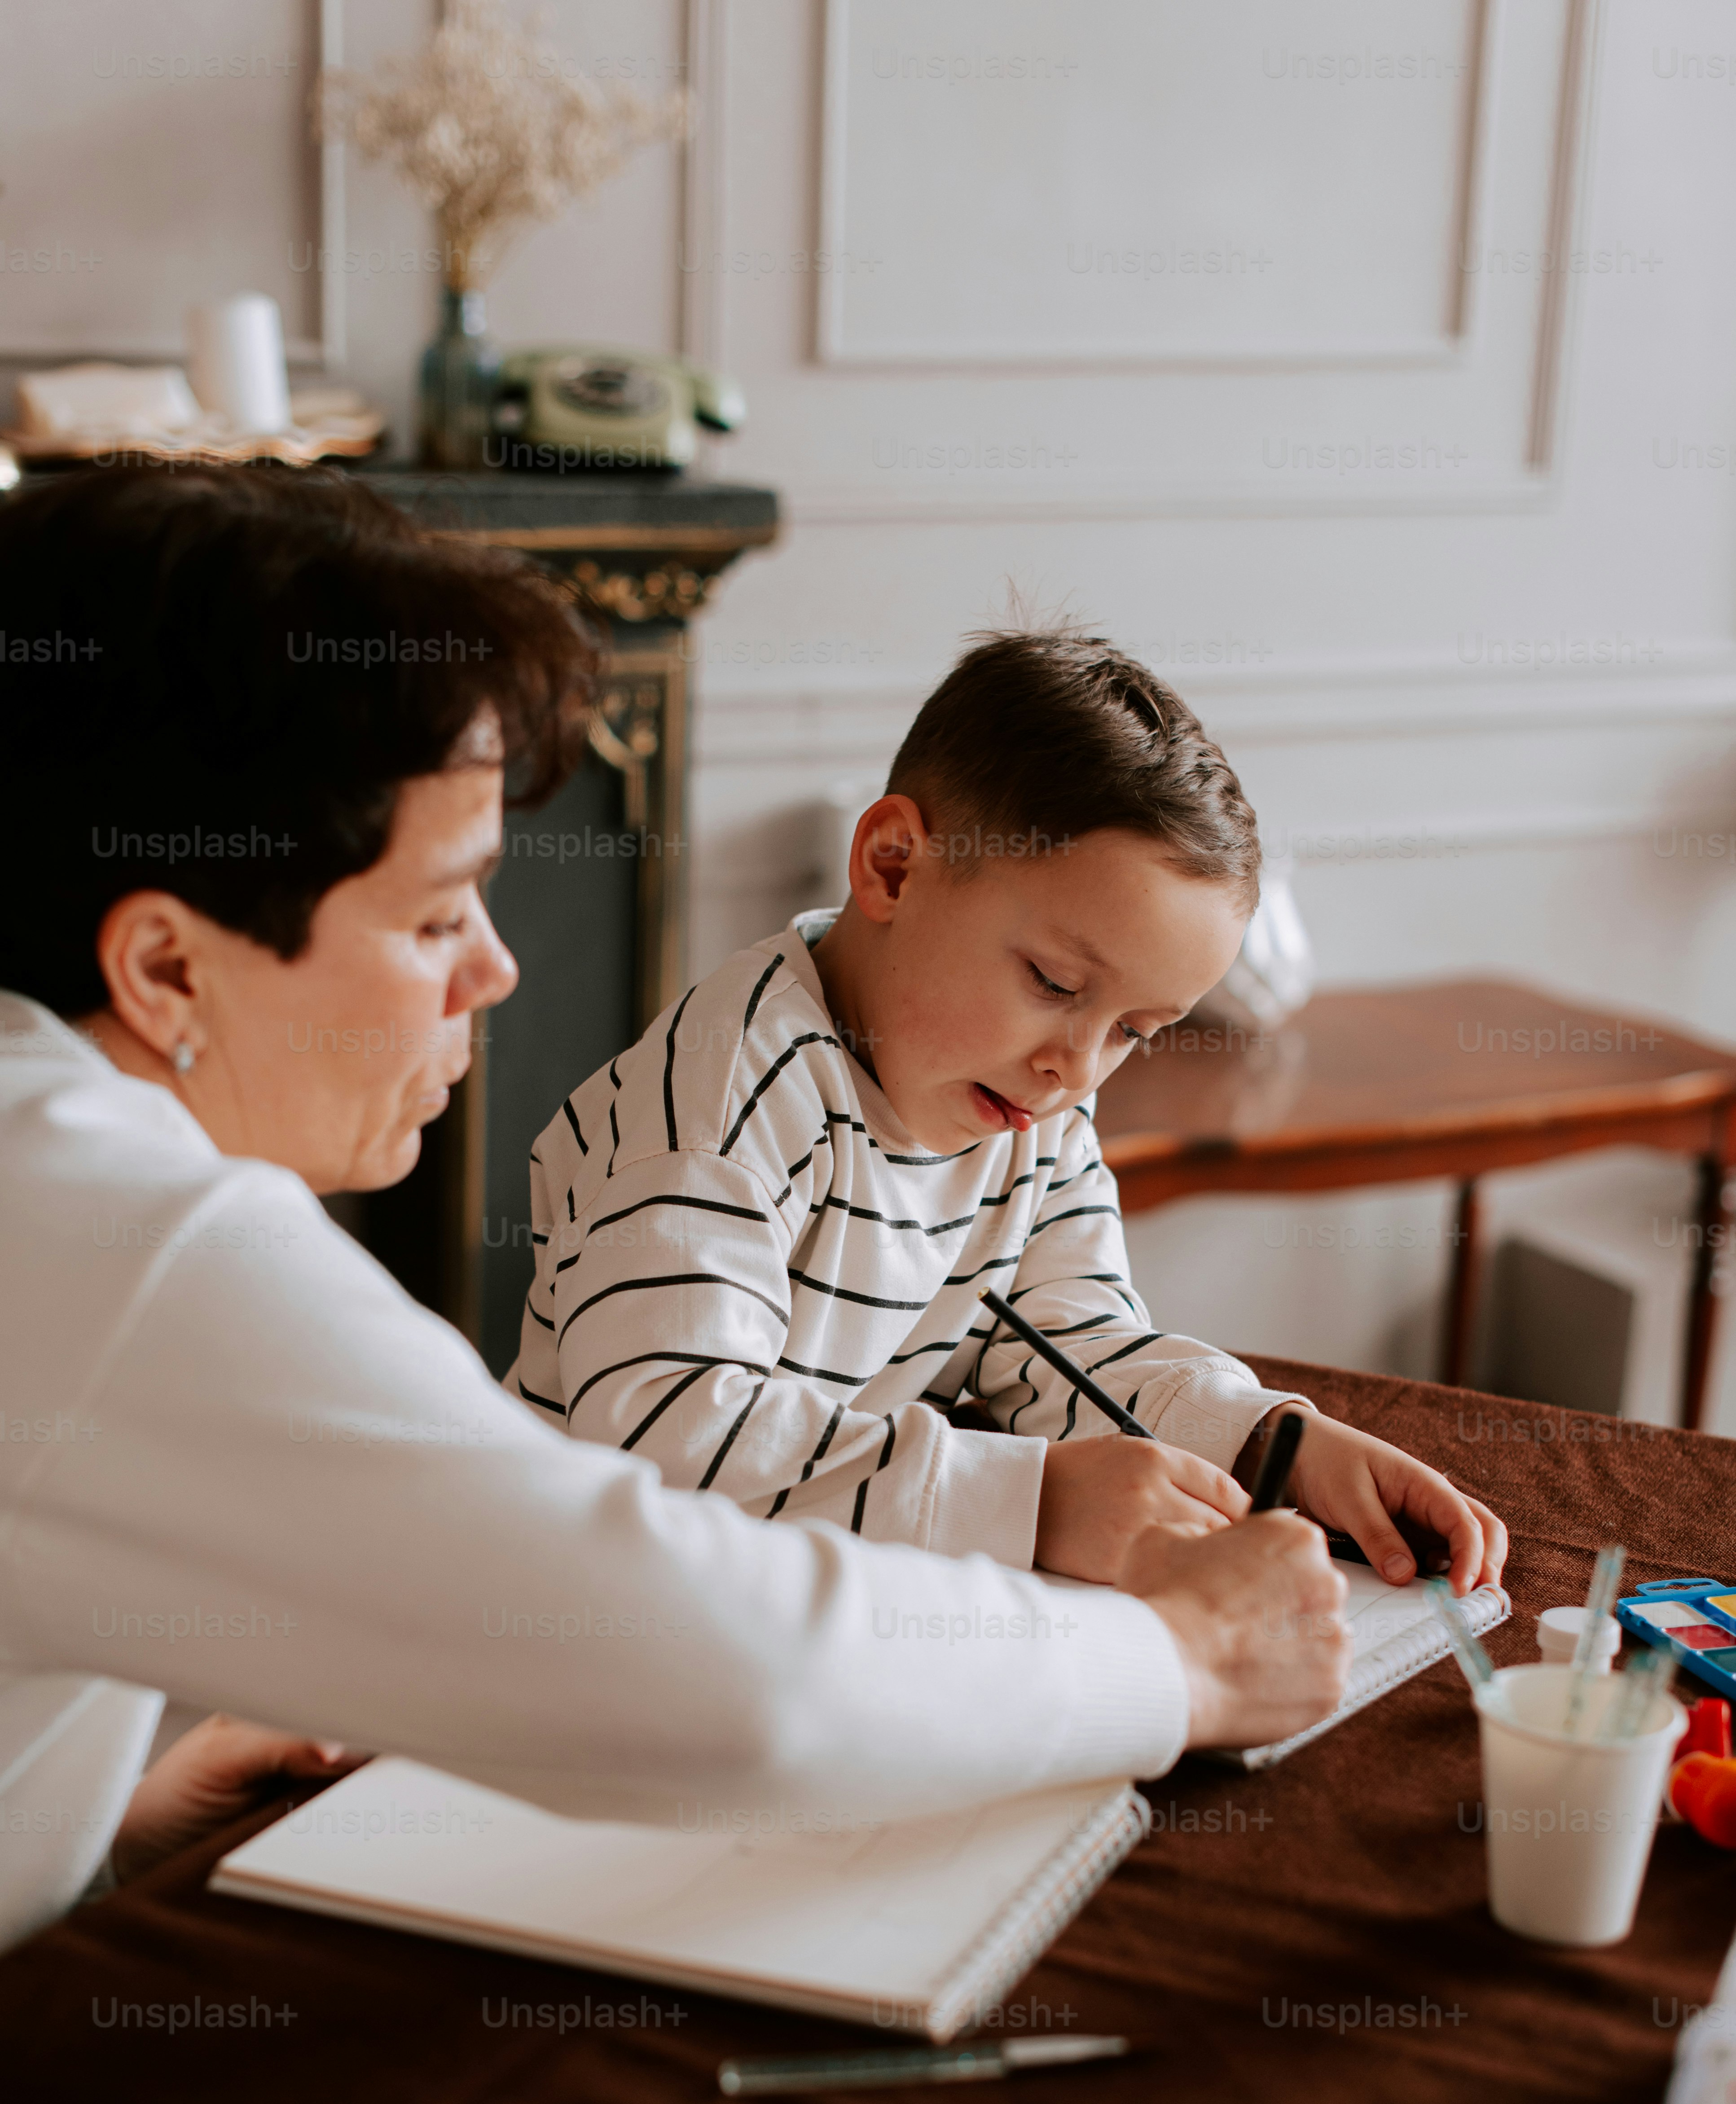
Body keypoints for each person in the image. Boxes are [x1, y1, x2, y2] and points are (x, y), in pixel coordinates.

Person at [0, 465, 1352, 1955]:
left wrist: (105, 1792)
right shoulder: (126, 1235)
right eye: (438, 914)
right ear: (168, 971)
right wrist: (1182, 1659)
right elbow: (711, 1665)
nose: (495, 971)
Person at [510, 633, 1507, 1593]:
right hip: (606, 1617)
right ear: (893, 865)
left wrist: (1268, 1443)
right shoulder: (725, 1104)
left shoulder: (1029, 1107)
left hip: (811, 1598)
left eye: (1133, 1030)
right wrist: (1033, 1504)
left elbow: (1072, 1348)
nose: (1076, 1066)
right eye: (1054, 982)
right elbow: (664, 1440)